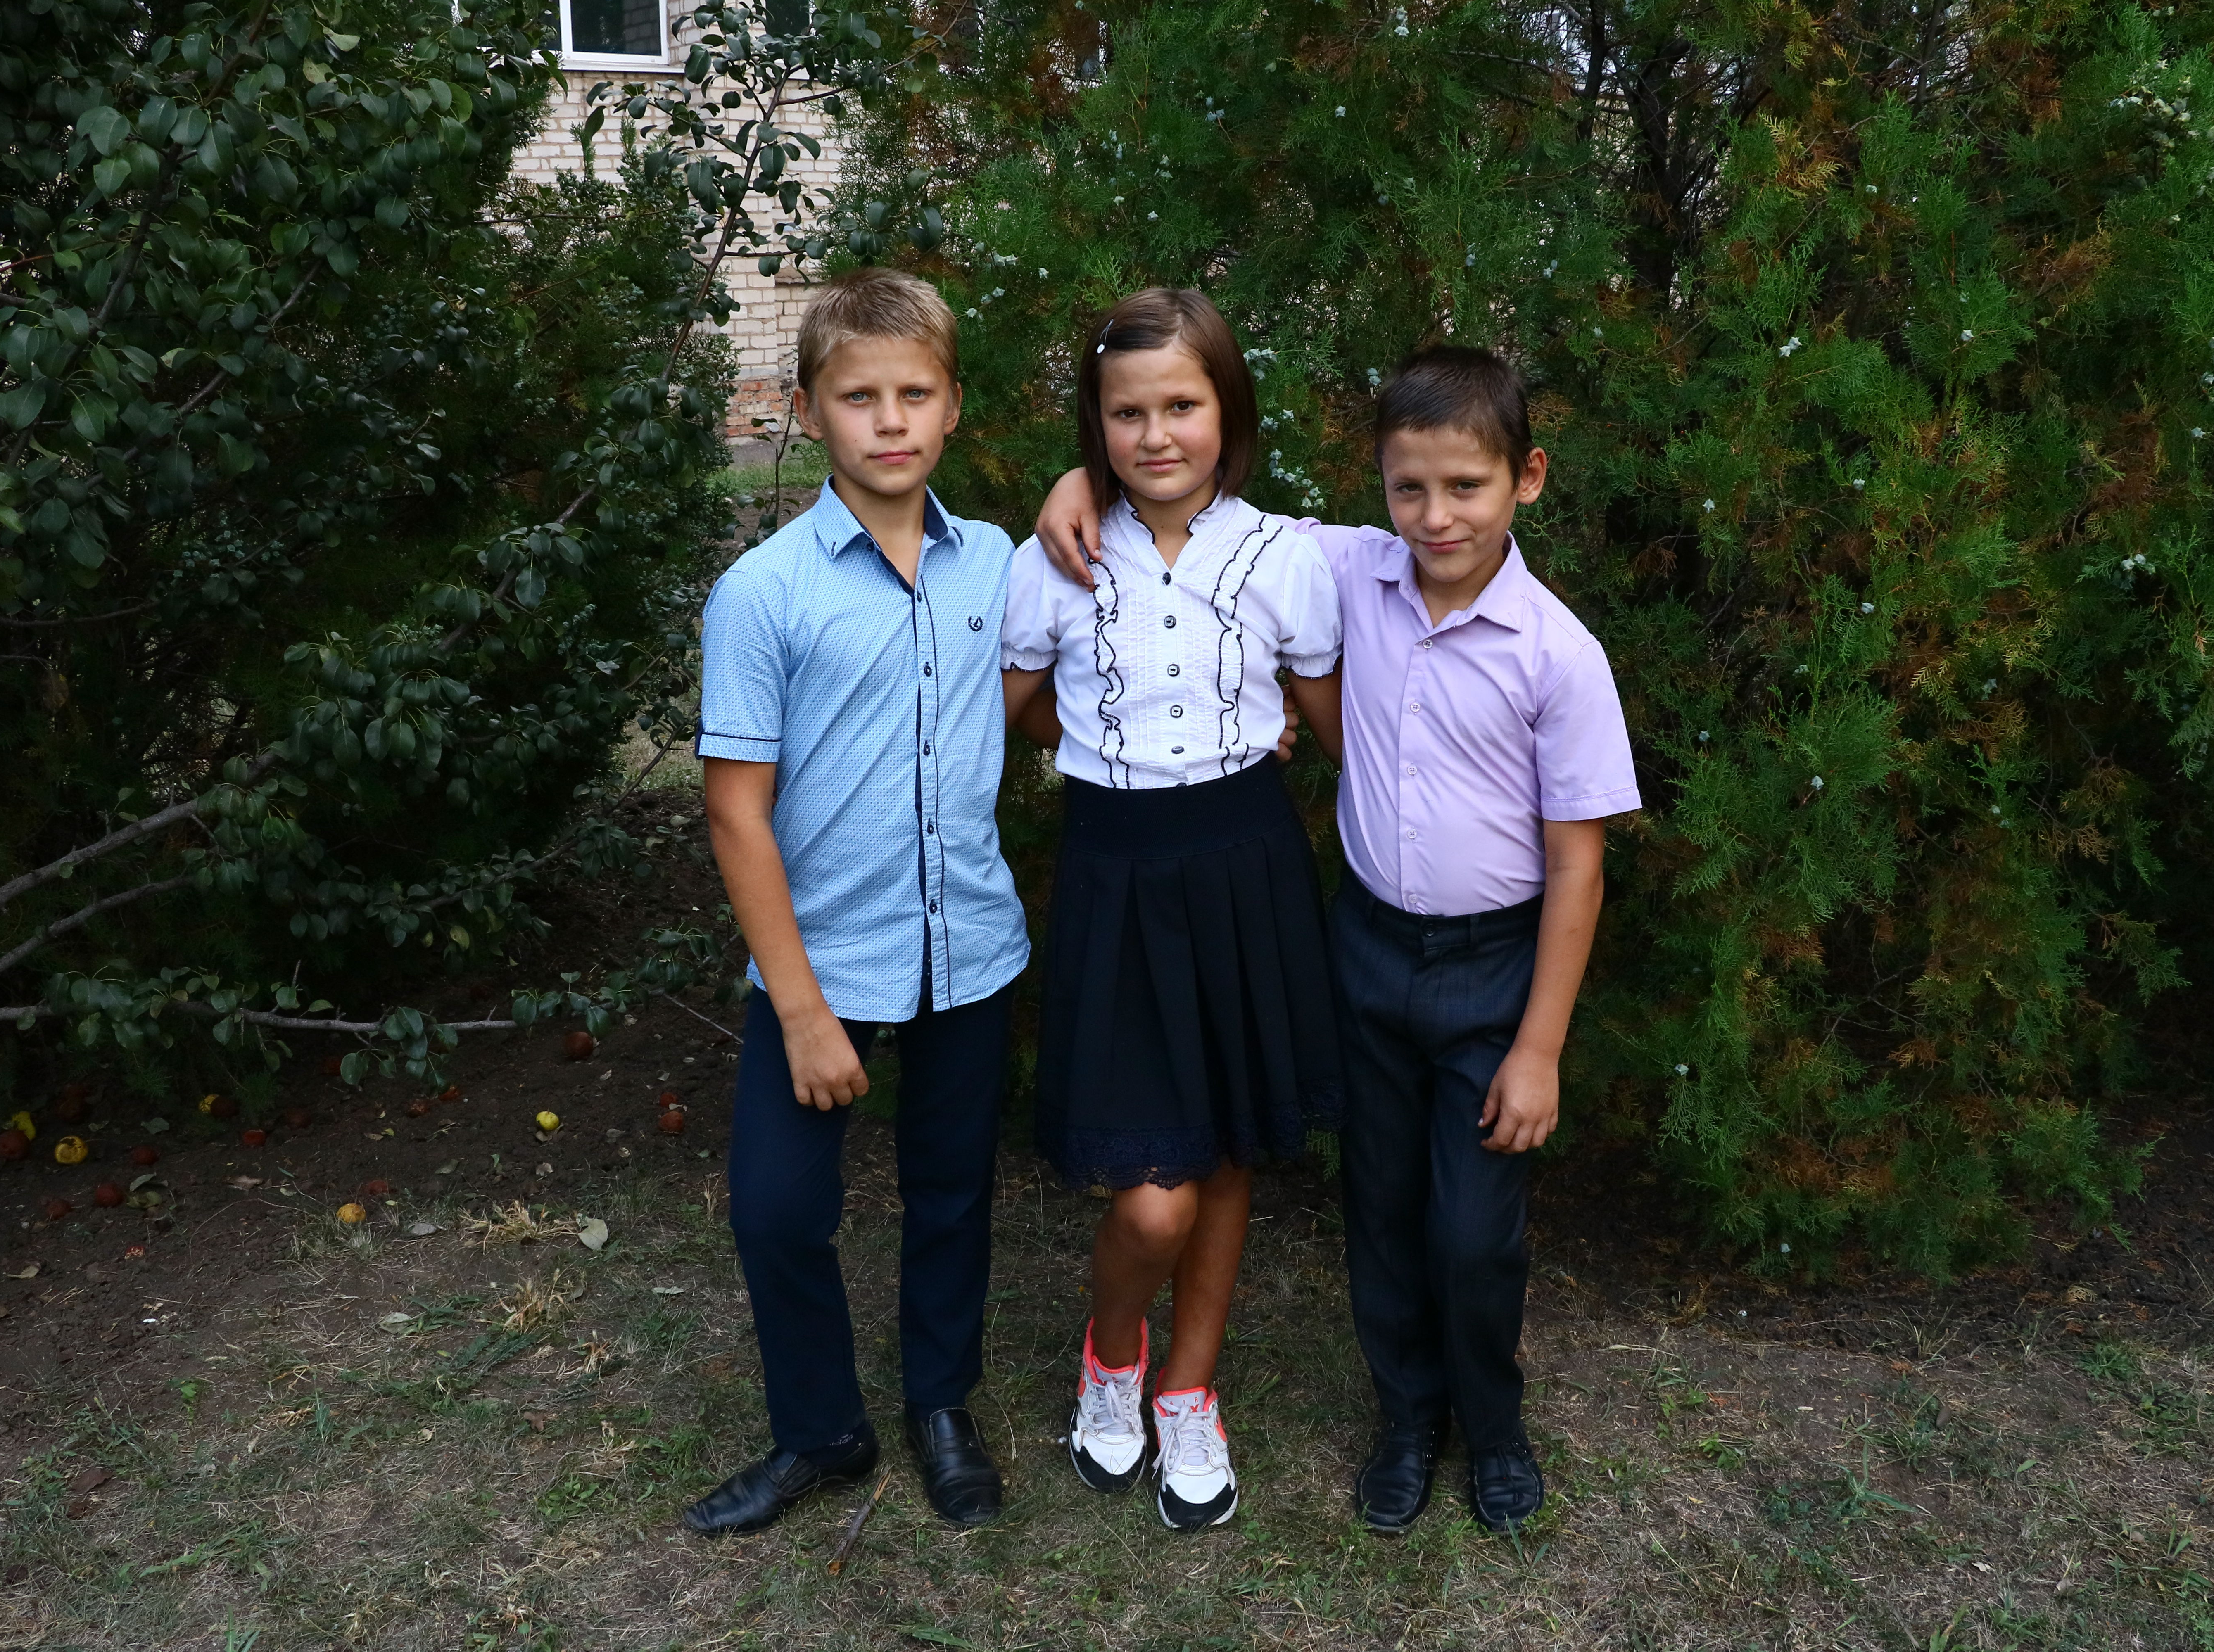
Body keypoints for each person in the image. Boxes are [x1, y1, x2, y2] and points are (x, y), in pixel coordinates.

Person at [1033, 345, 1640, 1536]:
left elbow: (1580, 863)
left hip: (1494, 967)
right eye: (1410, 488)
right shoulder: (1346, 566)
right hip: (1364, 950)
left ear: (1528, 479)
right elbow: (1188, 502)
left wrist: (1539, 1050)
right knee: (1382, 1207)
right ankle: (1406, 1421)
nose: (1437, 515)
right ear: (1382, 484)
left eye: (1467, 487)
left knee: (1473, 1230)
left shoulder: (1558, 654)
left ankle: (1494, 1428)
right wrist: (1080, 480)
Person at [687, 267, 1028, 1536]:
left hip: (969, 946)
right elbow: (737, 812)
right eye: (859, 396)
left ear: (954, 408)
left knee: (953, 1193)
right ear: (808, 410)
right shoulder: (765, 592)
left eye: (916, 394)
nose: (891, 421)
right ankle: (823, 1432)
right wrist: (801, 1011)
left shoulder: (996, 565)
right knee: (779, 1210)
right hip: (820, 961)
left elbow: (1053, 679)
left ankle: (942, 1406)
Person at [998, 287, 1347, 1531]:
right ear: (1095, 424)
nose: (1156, 435)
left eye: (1183, 406)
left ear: (1228, 412)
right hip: (1119, 871)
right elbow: (1017, 709)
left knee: (1228, 1148)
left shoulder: (1287, 557)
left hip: (1246, 868)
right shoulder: (1055, 558)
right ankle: (1113, 1353)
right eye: (1127, 412)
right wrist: (1105, 745)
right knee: (1154, 1194)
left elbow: (1335, 724)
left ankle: (1190, 1389)